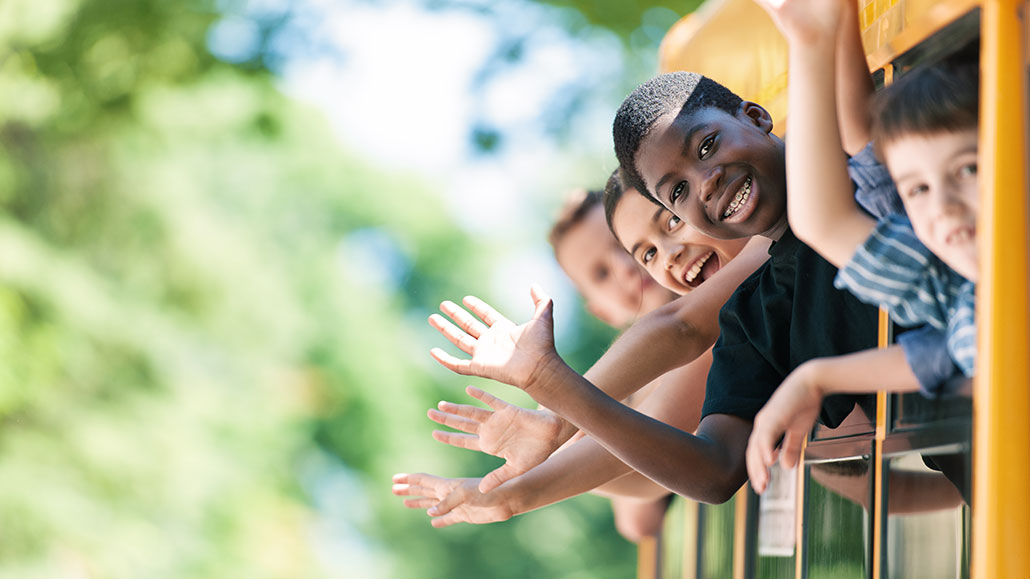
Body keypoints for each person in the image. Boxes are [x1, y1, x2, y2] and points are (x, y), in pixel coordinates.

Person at [395, 181, 764, 529]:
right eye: (602, 273)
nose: (626, 269)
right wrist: (521, 480)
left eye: (624, 249)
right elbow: (640, 503)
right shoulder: (641, 373)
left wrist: (555, 426)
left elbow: (679, 332)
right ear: (601, 312)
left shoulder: (716, 320)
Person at [745, 0, 979, 493]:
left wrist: (814, 42)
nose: (945, 208)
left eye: (969, 170)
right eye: (917, 189)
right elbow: (827, 217)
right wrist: (812, 39)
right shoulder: (960, 289)